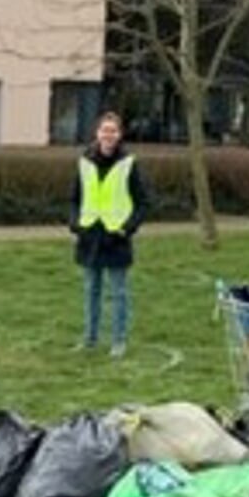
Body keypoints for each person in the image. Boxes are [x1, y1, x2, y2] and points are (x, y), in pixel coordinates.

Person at [71, 112, 148, 357]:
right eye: (104, 130)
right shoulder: (84, 161)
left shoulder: (128, 163)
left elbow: (142, 203)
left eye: (113, 131)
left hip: (116, 238)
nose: (108, 135)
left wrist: (128, 228)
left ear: (120, 134)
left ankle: (118, 341)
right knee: (91, 290)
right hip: (90, 236)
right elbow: (74, 199)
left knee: (119, 293)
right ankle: (90, 339)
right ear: (97, 133)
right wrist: (74, 224)